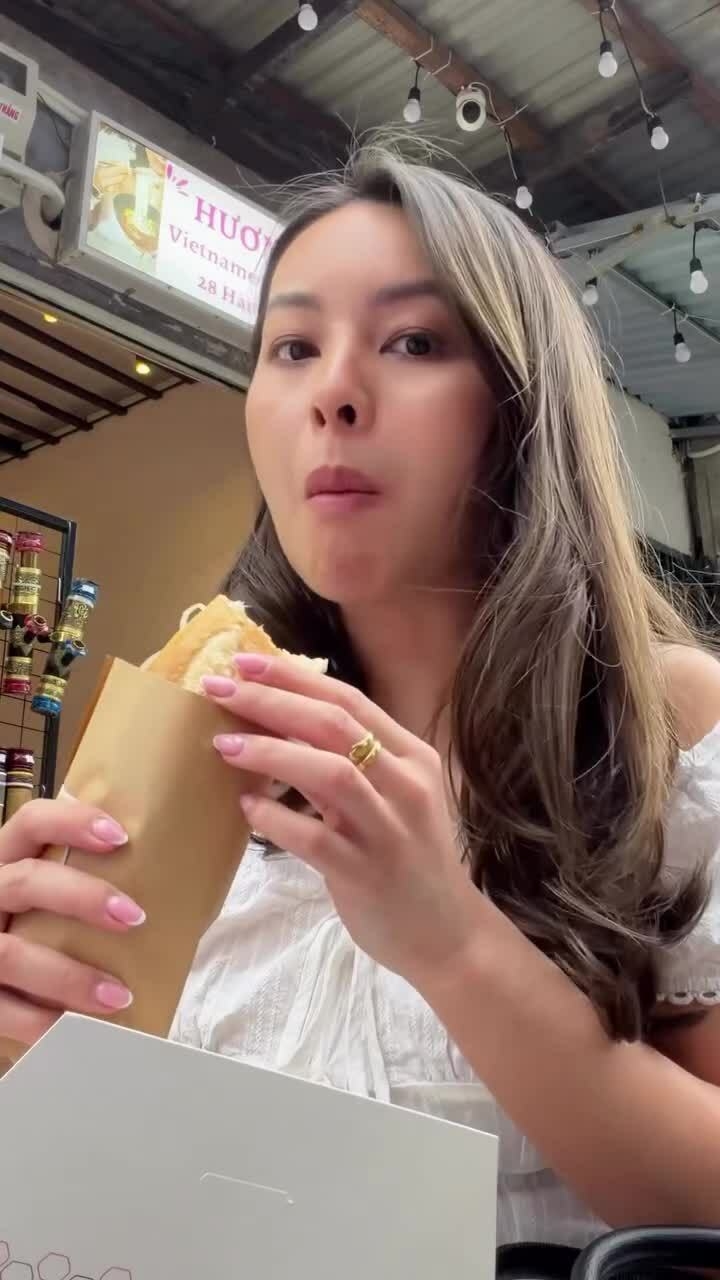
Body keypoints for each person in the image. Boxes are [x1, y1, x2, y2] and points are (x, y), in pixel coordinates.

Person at [1, 140, 719, 1248]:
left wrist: (454, 942)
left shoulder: (669, 724)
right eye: (292, 347)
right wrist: (37, 1045)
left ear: (519, 406)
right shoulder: (193, 739)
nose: (332, 391)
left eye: (414, 341)